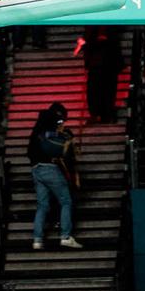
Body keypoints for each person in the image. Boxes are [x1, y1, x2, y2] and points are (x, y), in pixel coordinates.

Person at [28, 105, 82, 250]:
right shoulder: (48, 134)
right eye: (59, 121)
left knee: (42, 205)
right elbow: (61, 150)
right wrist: (67, 142)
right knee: (66, 201)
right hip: (49, 168)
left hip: (36, 170)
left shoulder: (36, 134)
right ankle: (65, 237)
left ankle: (37, 240)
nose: (61, 123)